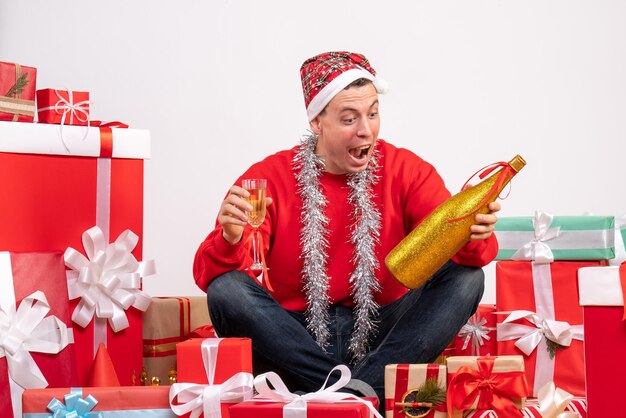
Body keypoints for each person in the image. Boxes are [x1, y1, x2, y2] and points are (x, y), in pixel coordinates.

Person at [193, 51, 500, 406]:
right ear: (316, 123)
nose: (365, 129)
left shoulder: (406, 170)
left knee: (466, 279)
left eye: (372, 113)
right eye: (349, 118)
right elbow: (209, 274)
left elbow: (461, 251)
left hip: (384, 334)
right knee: (226, 289)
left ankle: (347, 397)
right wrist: (230, 240)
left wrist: (473, 230)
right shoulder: (270, 176)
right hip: (296, 337)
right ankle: (361, 395)